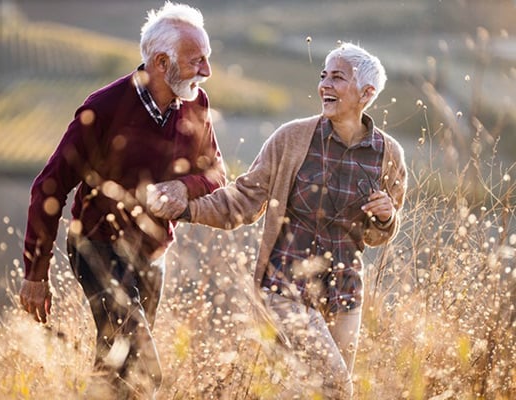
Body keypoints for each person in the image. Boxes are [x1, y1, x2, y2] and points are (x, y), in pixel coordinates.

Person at [150, 41, 407, 398]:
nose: (324, 85)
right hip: (286, 287)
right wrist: (187, 208)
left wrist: (385, 218)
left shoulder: (388, 153)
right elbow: (243, 198)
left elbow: (379, 235)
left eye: (337, 78)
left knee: (311, 391)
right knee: (337, 386)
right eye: (323, 76)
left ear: (366, 93)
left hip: (345, 293)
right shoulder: (292, 138)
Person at [18, 2, 226, 398]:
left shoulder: (196, 104)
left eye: (207, 58)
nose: (207, 71)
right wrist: (35, 273)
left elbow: (216, 172)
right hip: (97, 247)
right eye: (197, 60)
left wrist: (186, 188)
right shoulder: (104, 108)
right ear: (162, 62)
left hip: (153, 253)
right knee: (143, 366)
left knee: (116, 364)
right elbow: (48, 186)